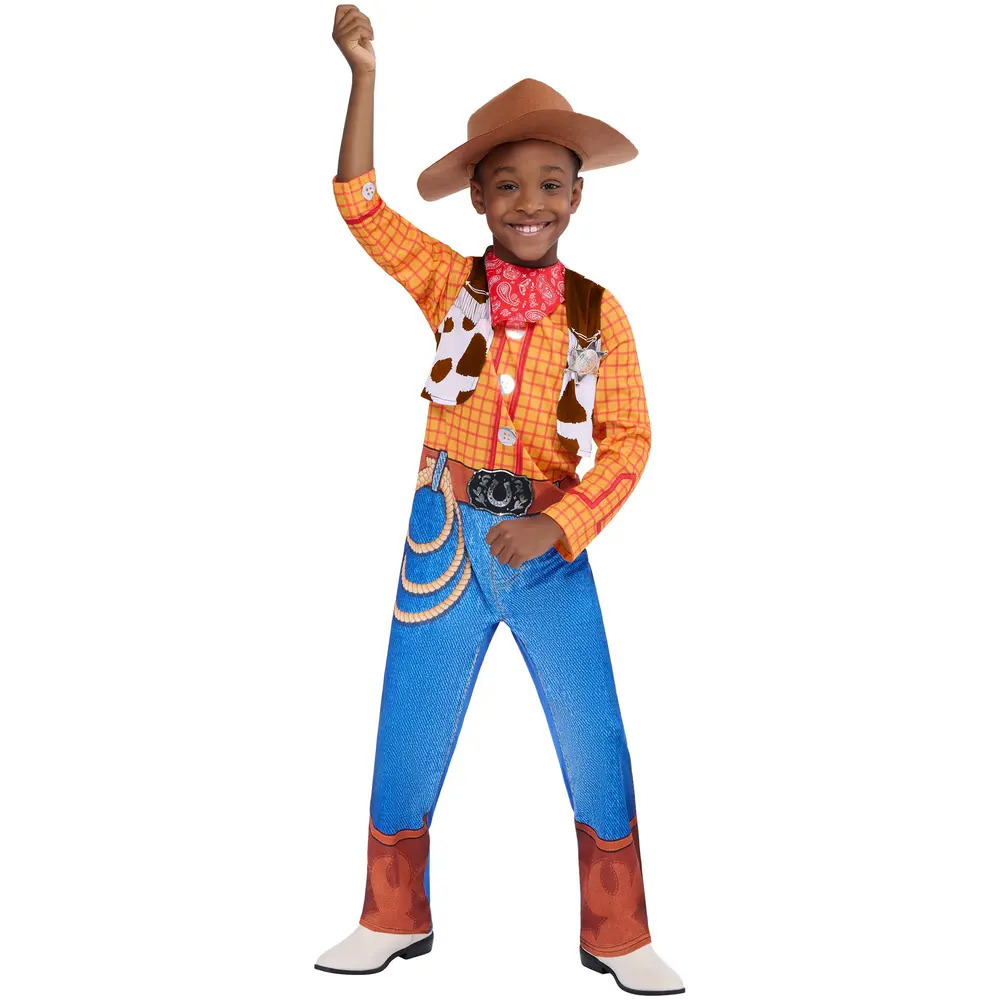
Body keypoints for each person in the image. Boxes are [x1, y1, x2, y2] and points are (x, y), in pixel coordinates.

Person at [314, 6, 685, 995]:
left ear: (576, 197)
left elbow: (631, 439)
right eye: (507, 183)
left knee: (592, 730)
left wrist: (558, 523)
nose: (530, 201)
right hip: (442, 537)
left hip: (548, 549)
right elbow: (358, 206)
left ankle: (618, 930)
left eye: (550, 183)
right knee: (409, 720)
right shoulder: (449, 283)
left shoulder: (598, 313)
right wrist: (363, 77)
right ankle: (390, 914)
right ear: (478, 196)